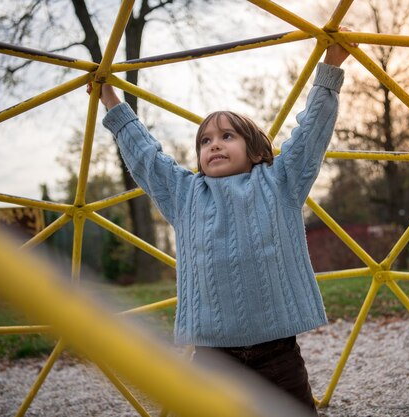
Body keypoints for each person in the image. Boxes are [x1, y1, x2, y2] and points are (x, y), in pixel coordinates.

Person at [90, 31, 353, 415]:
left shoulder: (280, 181)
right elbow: (145, 157)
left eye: (227, 136)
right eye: (205, 140)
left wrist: (330, 66)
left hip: (277, 354)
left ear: (257, 149)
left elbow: (311, 134)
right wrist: (111, 101)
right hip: (213, 359)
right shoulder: (185, 194)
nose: (213, 144)